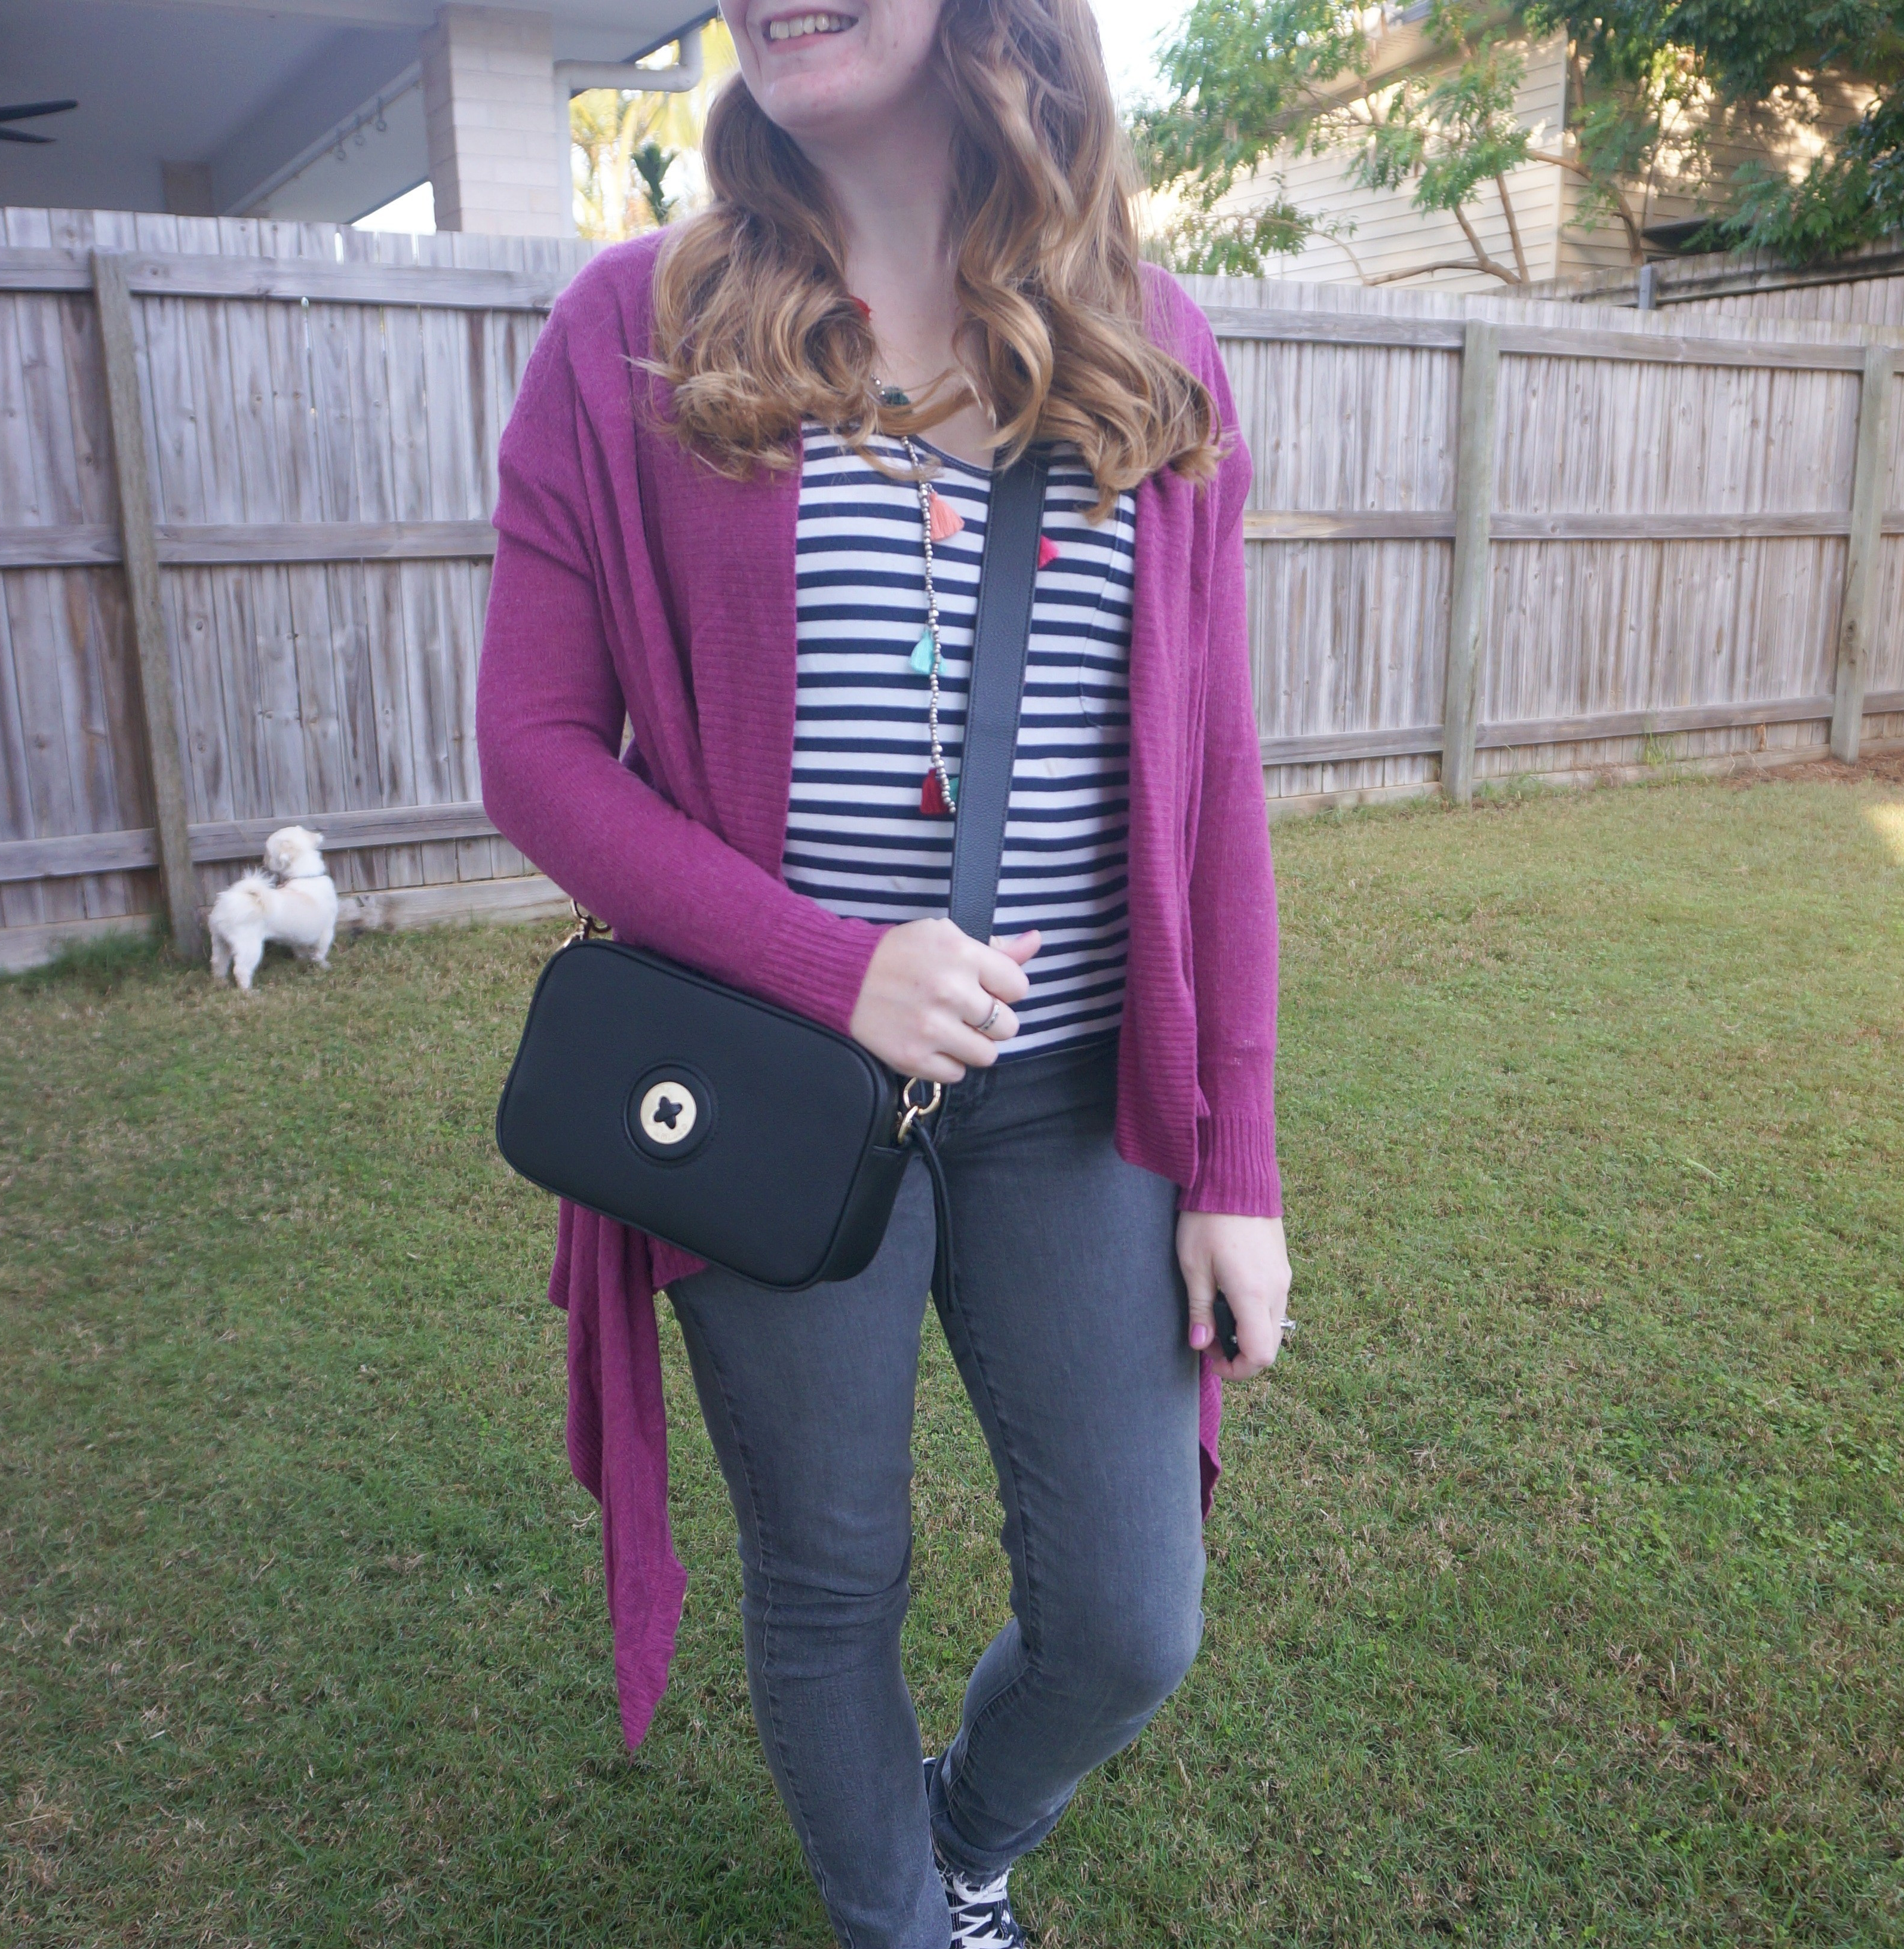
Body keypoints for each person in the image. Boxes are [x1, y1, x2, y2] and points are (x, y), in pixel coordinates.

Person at [475, 0, 1292, 1940]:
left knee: (1125, 1609)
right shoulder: (634, 331)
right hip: (767, 1092)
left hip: (1080, 1092)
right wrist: (827, 964)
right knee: (833, 1574)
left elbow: (1217, 785)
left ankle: (961, 1829)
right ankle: (912, 1922)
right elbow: (533, 750)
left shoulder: (1152, 348)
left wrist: (1238, 1162)